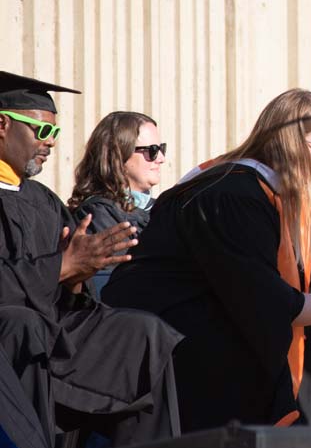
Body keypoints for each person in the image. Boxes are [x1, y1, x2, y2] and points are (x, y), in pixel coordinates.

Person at [104, 88, 311, 432]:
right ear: (288, 142)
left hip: (210, 332)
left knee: (310, 373)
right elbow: (269, 301)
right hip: (173, 345)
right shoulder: (232, 195)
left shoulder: (261, 192)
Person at [0, 71, 181, 446]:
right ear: (2, 124)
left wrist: (79, 275)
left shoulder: (42, 201)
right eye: (42, 131)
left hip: (55, 327)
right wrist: (61, 267)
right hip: (13, 335)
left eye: (56, 133)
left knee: (144, 333)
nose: (50, 143)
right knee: (25, 325)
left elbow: (71, 287)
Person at [68, 112, 165, 297]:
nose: (160, 158)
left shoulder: (161, 208)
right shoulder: (97, 215)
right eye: (152, 150)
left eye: (162, 149)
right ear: (120, 154)